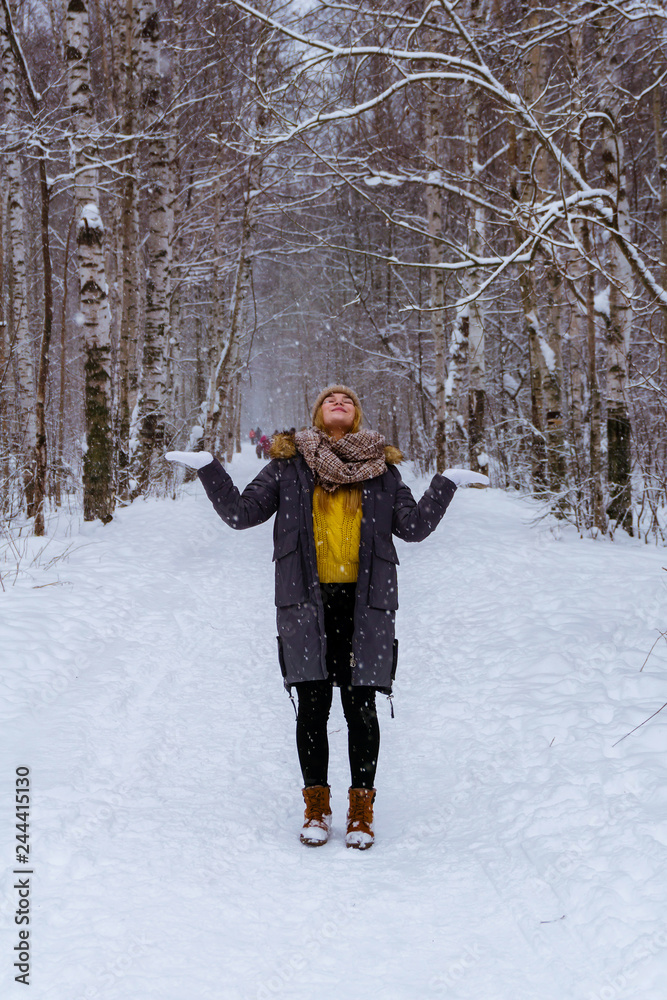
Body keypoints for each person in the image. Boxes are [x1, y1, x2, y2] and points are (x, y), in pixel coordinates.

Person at [166, 385, 489, 849]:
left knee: (361, 708)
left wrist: (446, 482)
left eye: (349, 399)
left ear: (356, 415)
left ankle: (361, 812)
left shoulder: (381, 470)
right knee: (313, 707)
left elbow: (414, 528)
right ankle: (316, 809)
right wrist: (209, 469)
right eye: (330, 399)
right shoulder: (288, 465)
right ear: (317, 412)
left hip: (367, 604)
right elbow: (241, 514)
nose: (340, 402)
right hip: (304, 603)